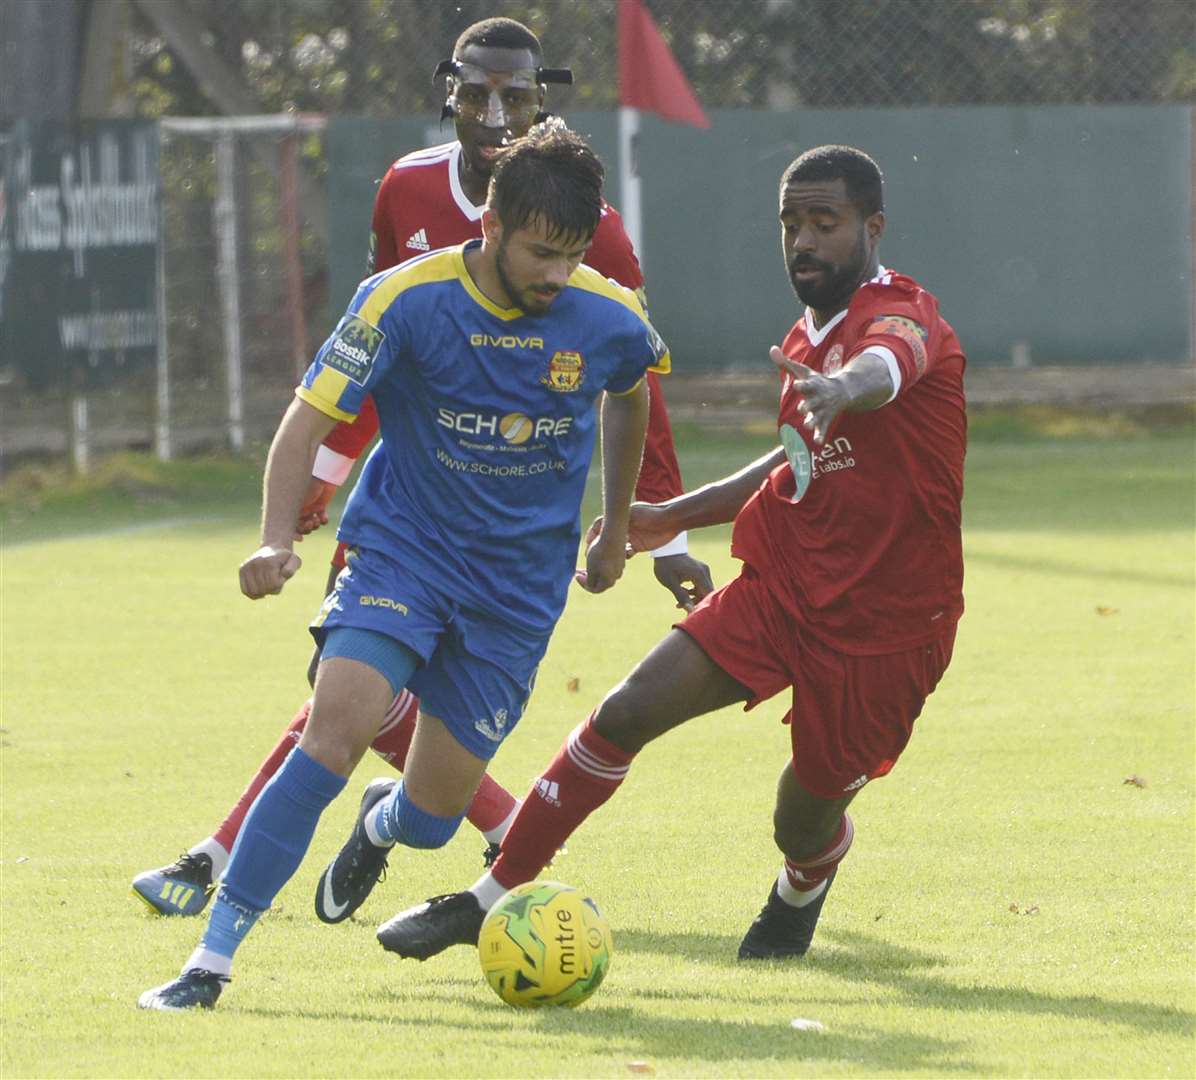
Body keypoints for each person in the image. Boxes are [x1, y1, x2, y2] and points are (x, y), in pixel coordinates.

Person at [131, 16, 711, 920]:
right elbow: (367, 363)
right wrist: (320, 473)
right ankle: (223, 880)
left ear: (540, 103)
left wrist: (655, 530)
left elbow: (632, 384)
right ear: (449, 92)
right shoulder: (404, 188)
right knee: (351, 682)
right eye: (475, 91)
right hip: (404, 506)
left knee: (374, 697)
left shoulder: (592, 238)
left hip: (516, 543)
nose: (492, 112)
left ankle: (406, 820)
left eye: (514, 97)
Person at [367, 144, 967, 964]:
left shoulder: (902, 314)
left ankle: (806, 877)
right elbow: (795, 459)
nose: (803, 241)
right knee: (625, 711)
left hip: (889, 624)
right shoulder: (804, 336)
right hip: (785, 586)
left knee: (804, 816)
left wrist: (846, 386)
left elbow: (887, 365)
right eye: (790, 222)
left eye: (825, 224)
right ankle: (491, 896)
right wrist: (668, 516)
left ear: (874, 227)